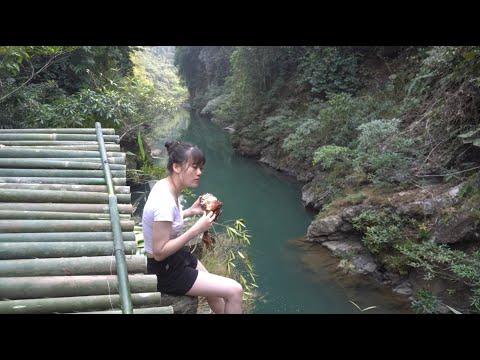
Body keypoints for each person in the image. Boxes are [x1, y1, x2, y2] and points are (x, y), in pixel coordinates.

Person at [142, 140, 243, 314]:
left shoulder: (165, 186)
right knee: (235, 290)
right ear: (177, 167)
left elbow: (166, 223)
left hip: (176, 258)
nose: (199, 173)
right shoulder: (164, 201)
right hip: (165, 271)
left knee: (215, 294)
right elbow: (159, 253)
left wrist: (189, 211)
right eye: (194, 167)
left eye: (201, 168)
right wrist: (196, 229)